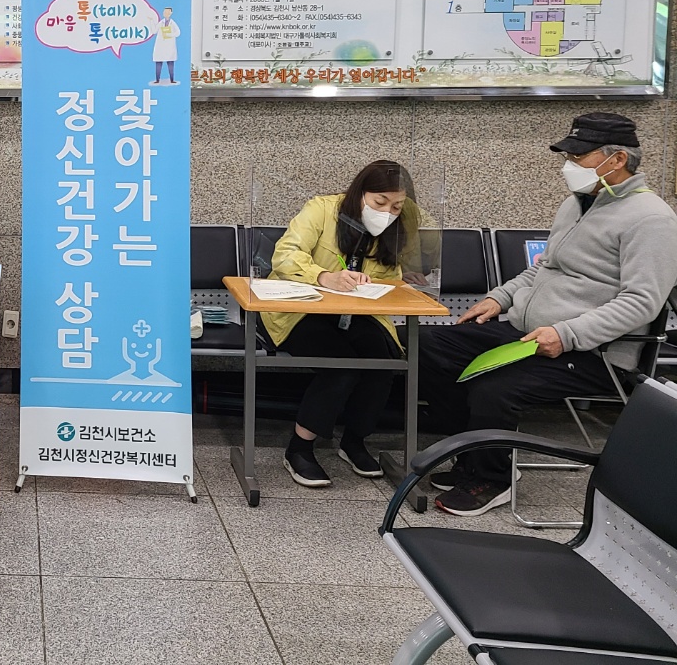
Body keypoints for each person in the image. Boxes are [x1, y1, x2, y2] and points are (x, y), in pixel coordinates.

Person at [419, 112, 677, 516]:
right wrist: (500, 298)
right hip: (526, 333)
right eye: (568, 157)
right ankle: (474, 454)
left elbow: (642, 301)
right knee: (427, 346)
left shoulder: (652, 219)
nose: (568, 166)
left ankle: (492, 479)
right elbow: (545, 267)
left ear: (617, 159)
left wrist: (566, 334)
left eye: (579, 157)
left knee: (494, 388)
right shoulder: (577, 204)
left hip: (592, 352)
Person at [267, 160, 417, 487]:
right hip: (300, 310)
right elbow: (285, 255)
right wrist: (323, 275)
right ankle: (299, 448)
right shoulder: (321, 210)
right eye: (379, 202)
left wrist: (378, 281)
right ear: (360, 193)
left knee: (383, 363)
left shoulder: (395, 227)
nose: (387, 212)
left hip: (356, 312)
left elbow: (389, 277)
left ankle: (353, 441)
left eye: (396, 206)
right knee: (341, 366)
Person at [152, 6, 179, 85]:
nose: (166, 13)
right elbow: (154, 31)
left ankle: (172, 79)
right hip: (160, 46)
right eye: (165, 12)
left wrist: (169, 34)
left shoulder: (172, 23)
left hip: (169, 46)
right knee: (158, 62)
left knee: (170, 63)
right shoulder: (161, 23)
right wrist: (151, 21)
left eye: (168, 12)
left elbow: (178, 33)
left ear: (171, 13)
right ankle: (157, 79)